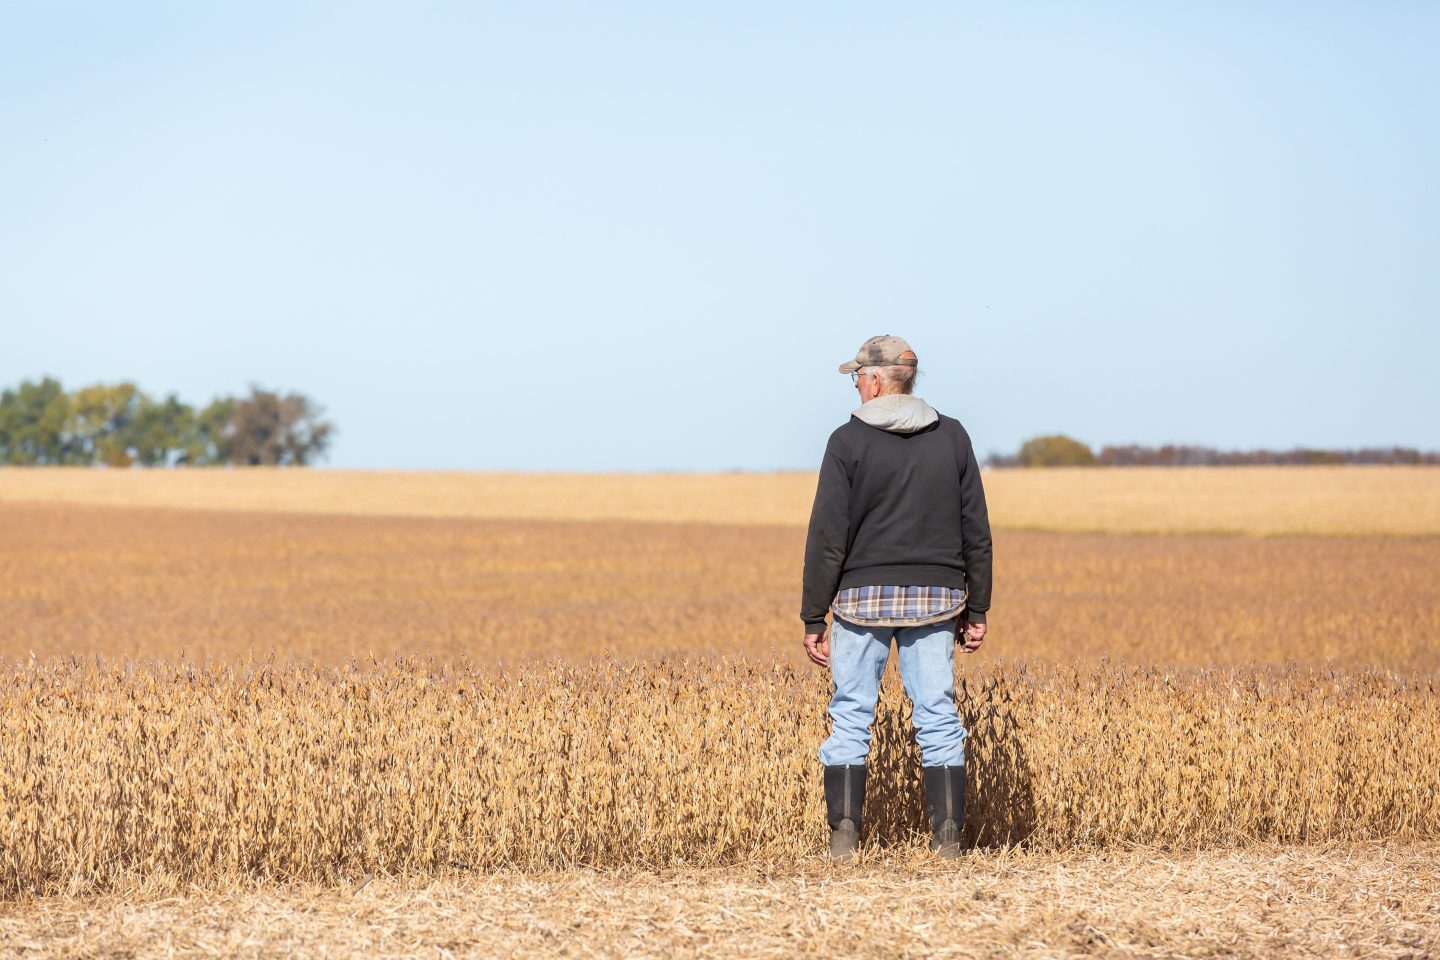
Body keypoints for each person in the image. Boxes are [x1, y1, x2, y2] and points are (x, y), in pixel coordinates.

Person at [800, 335, 992, 861]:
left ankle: (843, 843)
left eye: (857, 376)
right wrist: (978, 608)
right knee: (937, 713)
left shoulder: (847, 440)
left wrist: (813, 614)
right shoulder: (952, 436)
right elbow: (976, 528)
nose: (856, 385)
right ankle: (948, 843)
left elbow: (827, 535)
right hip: (938, 596)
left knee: (850, 715)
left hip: (861, 597)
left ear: (878, 380)